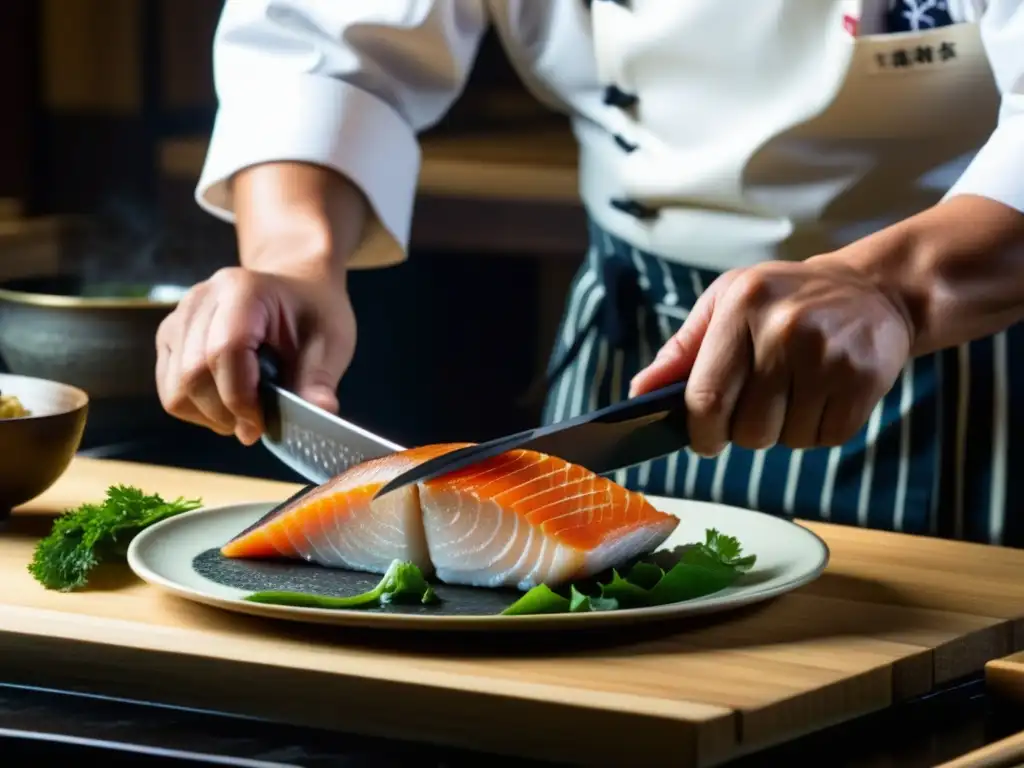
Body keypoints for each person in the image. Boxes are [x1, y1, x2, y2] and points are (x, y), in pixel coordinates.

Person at [156, 1, 1024, 545]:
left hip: (966, 338)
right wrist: (293, 258)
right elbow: (326, 37)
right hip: (637, 342)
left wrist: (892, 290)